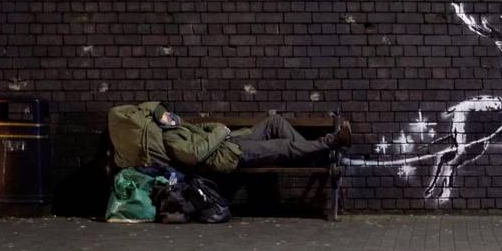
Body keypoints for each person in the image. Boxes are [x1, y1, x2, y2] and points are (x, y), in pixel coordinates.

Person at [108, 101, 351, 173]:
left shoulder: (180, 126)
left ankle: (309, 155)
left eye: (168, 114)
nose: (170, 116)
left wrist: (218, 130)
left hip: (232, 141)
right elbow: (194, 156)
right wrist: (218, 132)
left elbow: (212, 128)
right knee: (285, 146)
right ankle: (331, 142)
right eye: (166, 117)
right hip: (230, 155)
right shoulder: (171, 140)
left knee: (275, 122)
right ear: (160, 125)